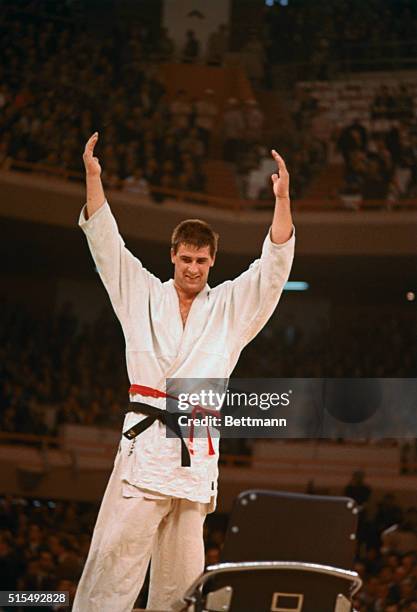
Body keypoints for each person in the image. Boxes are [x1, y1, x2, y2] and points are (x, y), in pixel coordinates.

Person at [72, 132, 295, 611]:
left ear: (212, 261)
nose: (193, 268)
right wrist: (94, 179)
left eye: (201, 260)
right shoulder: (143, 295)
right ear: (172, 255)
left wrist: (282, 201)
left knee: (181, 581)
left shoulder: (230, 307)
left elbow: (272, 271)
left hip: (195, 451)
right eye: (185, 259)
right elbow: (108, 247)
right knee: (115, 561)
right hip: (146, 445)